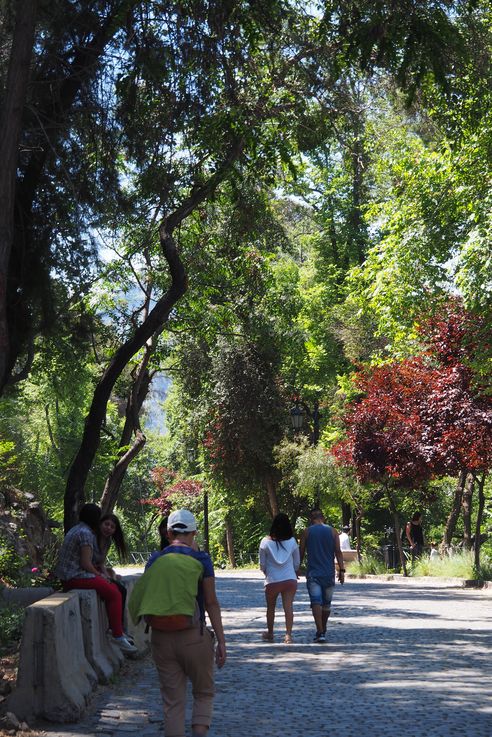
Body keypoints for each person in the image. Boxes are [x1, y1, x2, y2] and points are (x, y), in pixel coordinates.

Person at [129, 509, 226, 737]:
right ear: (193, 533)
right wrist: (221, 641)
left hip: (161, 638)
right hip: (194, 637)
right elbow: (211, 603)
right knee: (203, 693)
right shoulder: (201, 560)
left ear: (169, 532)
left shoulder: (155, 559)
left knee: (173, 702)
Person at [54, 503, 136, 654]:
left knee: (116, 589)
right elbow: (86, 563)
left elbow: (95, 562)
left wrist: (102, 574)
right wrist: (101, 576)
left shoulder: (77, 529)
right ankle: (117, 635)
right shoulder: (86, 533)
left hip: (69, 575)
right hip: (74, 576)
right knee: (114, 593)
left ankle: (118, 630)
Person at [299, 508, 345, 643]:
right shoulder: (333, 531)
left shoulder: (307, 532)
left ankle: (320, 631)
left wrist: (296, 568)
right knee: (326, 604)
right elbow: (338, 551)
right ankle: (323, 629)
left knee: (315, 602)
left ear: (311, 519)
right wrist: (341, 571)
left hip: (313, 573)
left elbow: (301, 552)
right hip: (328, 574)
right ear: (323, 518)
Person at [259, 513, 300, 644]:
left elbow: (262, 564)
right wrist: (292, 572)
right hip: (289, 579)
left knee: (270, 607)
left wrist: (267, 572)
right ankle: (288, 635)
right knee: (288, 607)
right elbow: (297, 563)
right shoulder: (292, 542)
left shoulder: (265, 542)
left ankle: (270, 633)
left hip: (272, 580)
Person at [95, 513, 130, 634]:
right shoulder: (92, 537)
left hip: (98, 570)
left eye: (112, 526)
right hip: (91, 571)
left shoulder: (107, 541)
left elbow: (101, 563)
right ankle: (116, 628)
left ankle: (120, 627)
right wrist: (105, 576)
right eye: (106, 524)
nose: (108, 528)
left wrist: (108, 576)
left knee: (121, 589)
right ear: (100, 524)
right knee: (118, 590)